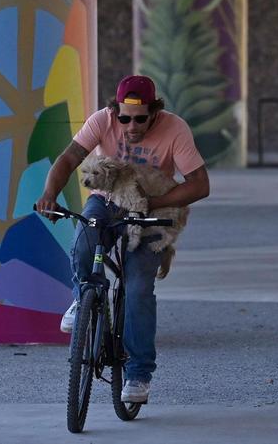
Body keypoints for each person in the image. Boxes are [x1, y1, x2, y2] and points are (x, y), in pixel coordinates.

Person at [35, 75, 210, 404]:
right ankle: (82, 297)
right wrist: (49, 194)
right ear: (114, 112)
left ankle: (139, 373)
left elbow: (200, 184)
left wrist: (150, 204)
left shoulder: (175, 129)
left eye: (140, 118)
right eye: (124, 118)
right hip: (107, 199)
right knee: (85, 240)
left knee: (139, 286)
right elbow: (68, 159)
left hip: (153, 203)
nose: (131, 126)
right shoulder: (101, 120)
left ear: (154, 112)